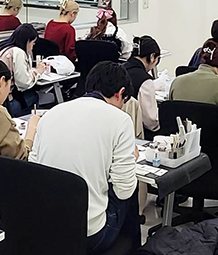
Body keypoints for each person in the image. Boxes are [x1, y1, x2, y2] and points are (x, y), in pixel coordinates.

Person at [30, 62, 139, 254]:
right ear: (120, 93)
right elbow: (124, 190)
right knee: (130, 189)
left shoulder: (51, 113)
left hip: (44, 226)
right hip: (88, 236)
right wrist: (129, 158)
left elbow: (34, 167)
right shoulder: (120, 120)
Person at [0, 24, 46, 117]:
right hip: (5, 99)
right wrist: (38, 71)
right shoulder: (18, 52)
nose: (33, 46)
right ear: (28, 41)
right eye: (33, 43)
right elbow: (24, 83)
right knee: (33, 96)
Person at [123, 36, 161, 136]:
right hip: (135, 133)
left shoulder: (120, 69)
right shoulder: (145, 80)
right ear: (152, 57)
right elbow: (151, 121)